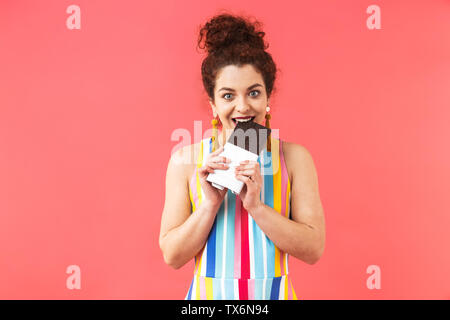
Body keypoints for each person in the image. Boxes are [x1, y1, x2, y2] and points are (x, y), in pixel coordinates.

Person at [159, 12, 325, 300]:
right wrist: (209, 204)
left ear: (268, 97)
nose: (242, 106)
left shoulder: (295, 158)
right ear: (212, 103)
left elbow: (313, 249)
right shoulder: (185, 161)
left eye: (253, 92)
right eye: (227, 95)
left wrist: (257, 207)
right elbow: (172, 257)